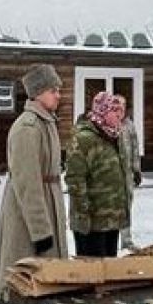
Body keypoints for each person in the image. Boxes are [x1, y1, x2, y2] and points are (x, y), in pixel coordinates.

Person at [0, 64, 69, 300]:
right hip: (28, 221)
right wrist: (41, 233)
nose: (58, 95)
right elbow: (28, 185)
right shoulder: (28, 128)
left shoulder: (46, 123)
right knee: (24, 277)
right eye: (53, 90)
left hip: (47, 205)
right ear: (39, 92)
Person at [65, 91, 130, 257]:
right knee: (92, 273)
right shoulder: (84, 138)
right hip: (92, 223)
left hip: (110, 220)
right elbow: (75, 179)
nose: (118, 115)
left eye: (120, 111)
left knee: (109, 273)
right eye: (113, 110)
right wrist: (83, 215)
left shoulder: (112, 136)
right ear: (102, 111)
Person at [116, 99, 144, 250]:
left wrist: (136, 170)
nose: (121, 109)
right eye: (118, 106)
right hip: (112, 174)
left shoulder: (129, 125)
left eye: (123, 106)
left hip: (127, 173)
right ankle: (111, 240)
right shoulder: (109, 124)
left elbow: (135, 148)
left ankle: (126, 240)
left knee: (127, 205)